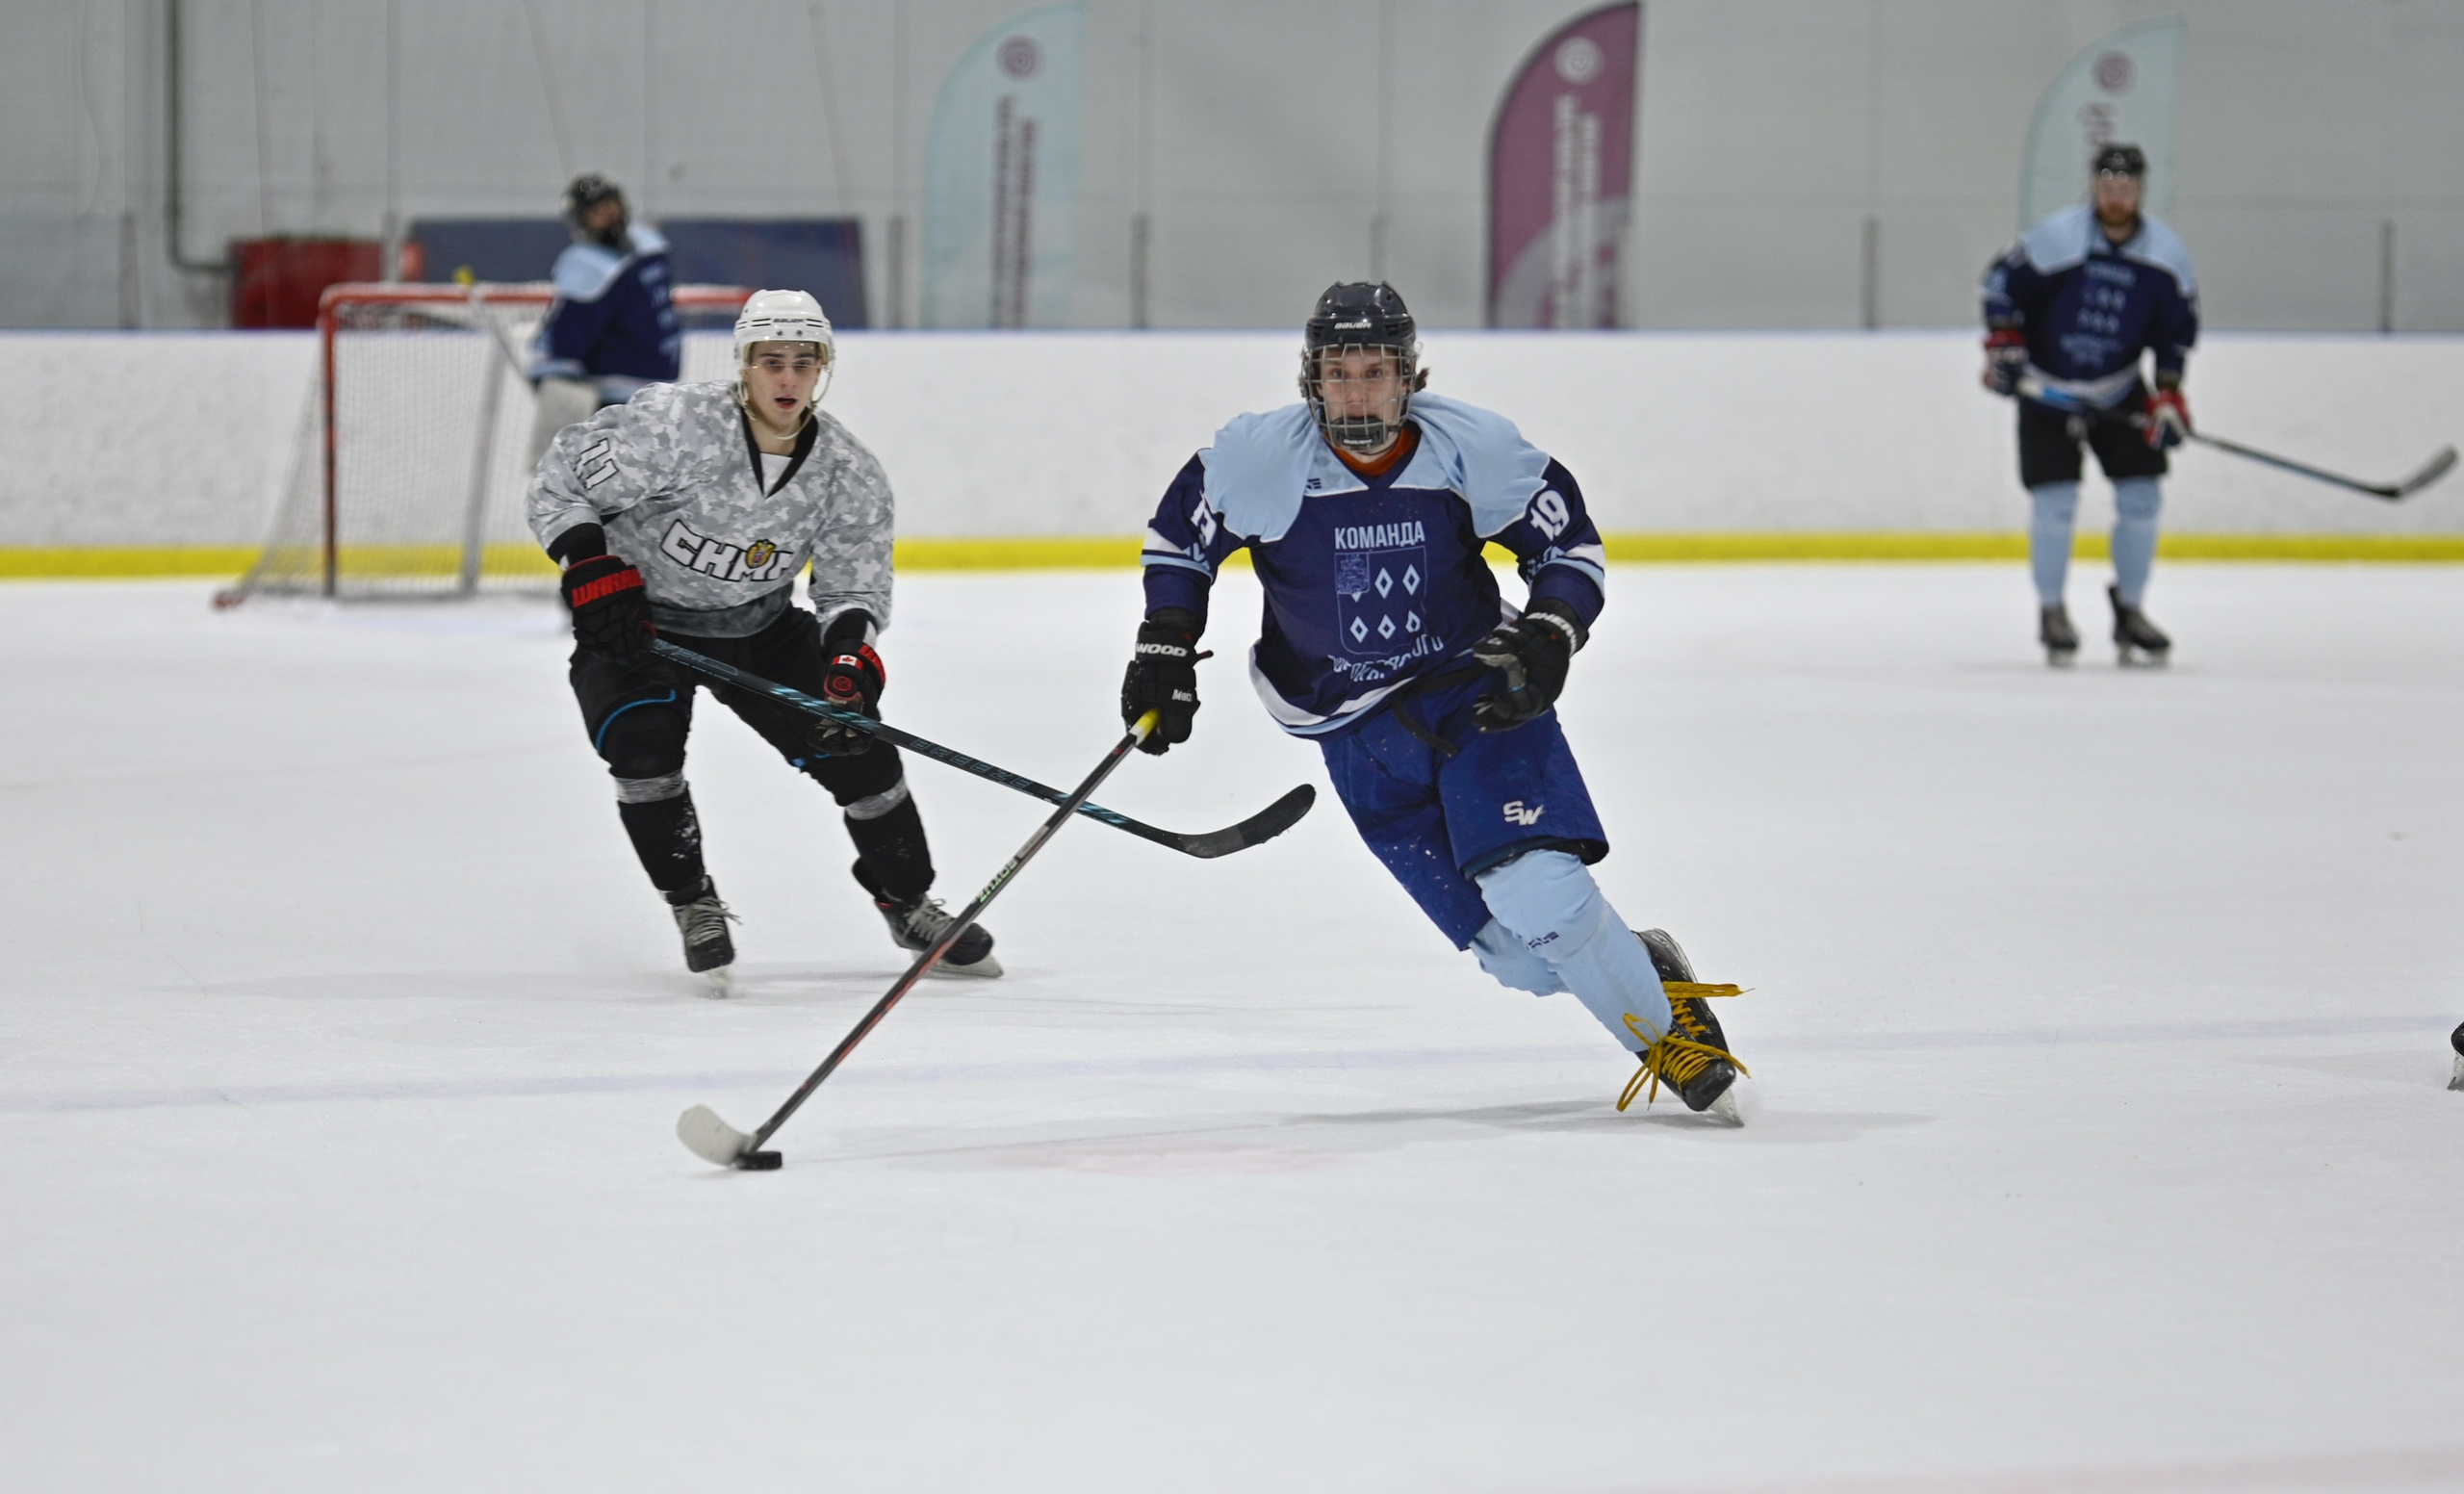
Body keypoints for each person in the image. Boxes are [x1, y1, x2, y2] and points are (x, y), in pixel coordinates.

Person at [1119, 281, 1748, 1120]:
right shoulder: (1261, 459)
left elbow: (1568, 544)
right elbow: (1182, 544)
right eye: (1339, 374)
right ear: (1310, 378)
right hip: (1353, 733)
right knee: (1520, 961)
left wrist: (1555, 629)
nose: (1357, 393)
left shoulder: (1469, 449)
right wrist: (1165, 640)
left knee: (1541, 897)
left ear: (1410, 376)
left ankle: (1669, 1043)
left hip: (1477, 697)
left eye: (1375, 372)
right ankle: (1642, 962)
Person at [526, 288, 999, 992]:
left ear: (822, 369)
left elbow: (854, 588)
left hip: (762, 625)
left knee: (862, 752)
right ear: (744, 365)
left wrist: (846, 657)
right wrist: (590, 567)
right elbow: (561, 482)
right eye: (770, 361)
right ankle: (694, 903)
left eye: (803, 363)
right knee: (642, 754)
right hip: (639, 625)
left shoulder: (848, 472)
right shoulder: (675, 428)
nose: (786, 378)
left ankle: (908, 904)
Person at [1981, 142, 2199, 666]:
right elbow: (2000, 286)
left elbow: (2175, 334)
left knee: (2142, 498)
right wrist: (2005, 343)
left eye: (2125, 188)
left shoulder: (2166, 257)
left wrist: (2167, 393)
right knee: (2055, 505)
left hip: (2118, 389)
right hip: (2047, 389)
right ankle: (2052, 611)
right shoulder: (2057, 238)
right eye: (2107, 187)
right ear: (2093, 187)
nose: (2116, 197)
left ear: (2141, 190)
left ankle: (2130, 609)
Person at [525, 174, 681, 466]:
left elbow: (564, 346)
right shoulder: (600, 267)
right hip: (616, 401)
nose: (608, 216)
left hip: (650, 398)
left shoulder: (644, 252)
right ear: (581, 221)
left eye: (611, 207)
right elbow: (567, 344)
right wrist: (550, 371)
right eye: (597, 212)